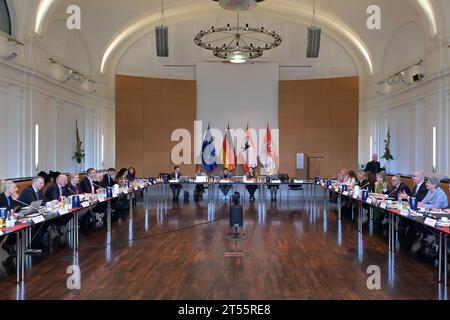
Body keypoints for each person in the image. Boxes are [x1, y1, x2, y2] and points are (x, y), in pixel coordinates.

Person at [0, 181, 19, 255]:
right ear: (8, 188)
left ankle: (9, 245)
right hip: (1, 221)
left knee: (19, 229)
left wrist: (15, 200)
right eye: (14, 187)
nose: (16, 189)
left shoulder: (10, 198)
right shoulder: (1, 197)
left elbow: (14, 209)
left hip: (7, 221)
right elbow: (6, 210)